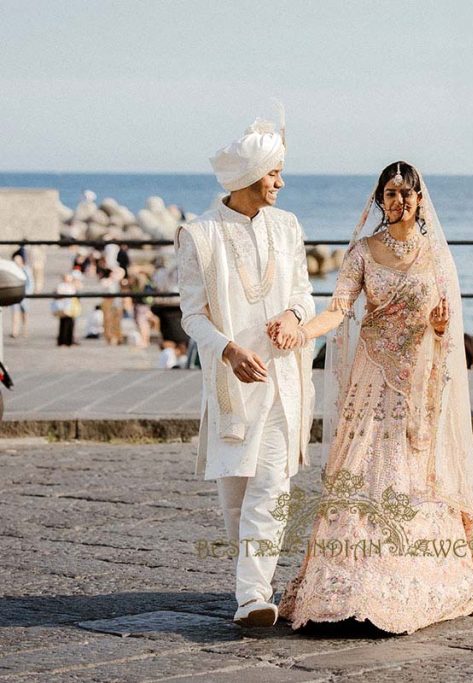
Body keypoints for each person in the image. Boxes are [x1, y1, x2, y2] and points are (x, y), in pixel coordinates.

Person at [271, 161, 473, 634]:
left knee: (412, 471)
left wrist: (439, 327)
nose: (398, 202)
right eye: (389, 194)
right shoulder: (362, 251)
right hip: (372, 374)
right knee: (358, 468)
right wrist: (300, 331)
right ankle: (343, 585)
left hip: (418, 377)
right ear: (379, 200)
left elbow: (447, 327)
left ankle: (410, 578)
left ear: (420, 199)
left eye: (406, 193)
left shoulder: (435, 255)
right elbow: (338, 309)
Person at [175, 112, 315, 628]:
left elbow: (302, 292)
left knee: (272, 485)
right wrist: (230, 351)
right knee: (236, 495)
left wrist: (293, 315)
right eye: (274, 173)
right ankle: (249, 581)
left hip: (282, 376)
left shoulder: (288, 227)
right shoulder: (200, 235)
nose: (281, 182)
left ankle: (253, 595)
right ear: (251, 177)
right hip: (232, 380)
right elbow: (192, 313)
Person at [9, 253, 33, 338]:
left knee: (25, 314)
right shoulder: (12, 270)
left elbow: (30, 283)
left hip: (24, 295)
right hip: (15, 295)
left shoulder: (26, 270)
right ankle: (14, 331)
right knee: (15, 314)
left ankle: (25, 330)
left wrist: (27, 293)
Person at [54, 272, 80, 347]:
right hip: (63, 307)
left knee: (71, 324)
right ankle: (62, 341)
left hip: (71, 308)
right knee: (64, 324)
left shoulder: (72, 285)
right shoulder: (61, 286)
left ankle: (70, 340)